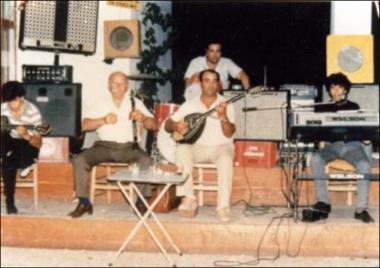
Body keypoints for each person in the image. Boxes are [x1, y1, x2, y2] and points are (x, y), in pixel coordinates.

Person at [68, 71, 158, 218]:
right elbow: (83, 125)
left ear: (126, 86)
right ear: (109, 85)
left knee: (146, 160)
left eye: (121, 83)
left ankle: (141, 202)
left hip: (129, 147)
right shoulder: (101, 103)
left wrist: (142, 117)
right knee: (80, 160)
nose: (117, 86)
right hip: (103, 146)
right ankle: (84, 202)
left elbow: (153, 125)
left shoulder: (135, 102)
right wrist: (103, 120)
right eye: (114, 83)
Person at [165, 69, 236, 222]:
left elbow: (230, 133)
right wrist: (176, 125)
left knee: (225, 159)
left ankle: (223, 206)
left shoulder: (226, 104)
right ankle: (189, 198)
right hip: (197, 147)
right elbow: (167, 124)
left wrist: (223, 117)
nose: (210, 85)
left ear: (218, 84)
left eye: (213, 81)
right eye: (206, 80)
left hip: (221, 146)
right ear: (200, 83)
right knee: (182, 149)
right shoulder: (190, 104)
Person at [307, 72, 374, 223]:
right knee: (316, 159)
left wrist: (365, 139)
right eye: (332, 87)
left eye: (339, 87)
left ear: (345, 90)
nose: (336, 90)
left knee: (363, 165)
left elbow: (362, 130)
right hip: (332, 146)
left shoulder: (354, 106)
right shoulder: (323, 107)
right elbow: (317, 131)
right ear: (329, 90)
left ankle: (361, 209)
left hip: (352, 147)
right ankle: (323, 203)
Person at [1, 81, 43, 214]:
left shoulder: (33, 111)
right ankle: (10, 201)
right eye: (8, 102)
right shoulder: (3, 108)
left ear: (21, 97)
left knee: (8, 160)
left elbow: (38, 143)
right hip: (8, 144)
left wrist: (26, 135)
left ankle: (9, 200)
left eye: (14, 101)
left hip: (27, 145)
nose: (11, 106)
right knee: (7, 150)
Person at [184, 41, 251, 101]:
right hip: (198, 99)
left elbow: (244, 77)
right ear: (207, 52)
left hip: (220, 100)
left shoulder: (226, 62)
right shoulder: (196, 62)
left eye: (217, 51)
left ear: (221, 52)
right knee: (195, 79)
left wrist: (248, 98)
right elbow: (188, 82)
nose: (215, 55)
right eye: (212, 51)